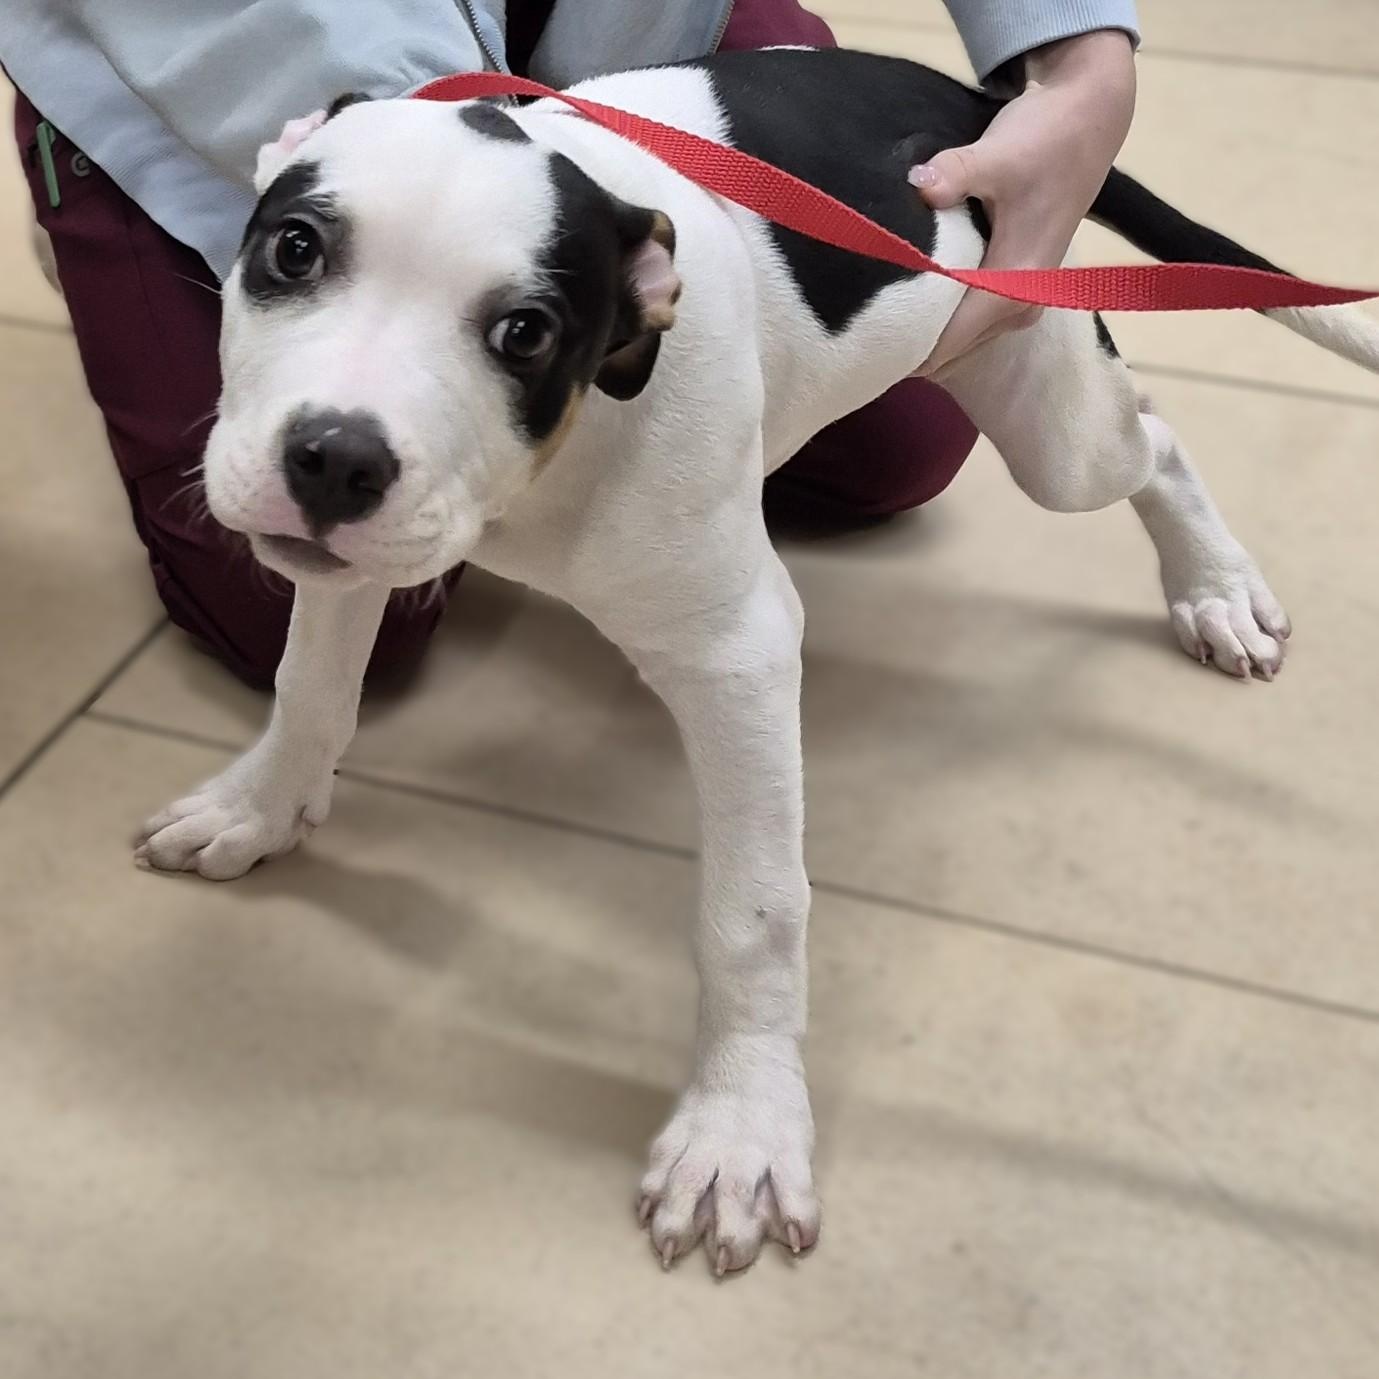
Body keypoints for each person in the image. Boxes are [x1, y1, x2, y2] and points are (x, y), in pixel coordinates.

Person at [3, 0, 1138, 689]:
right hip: (227, 52)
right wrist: (436, 162)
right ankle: (102, 190)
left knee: (898, 450)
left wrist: (1077, 56)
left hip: (627, 34)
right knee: (297, 564)